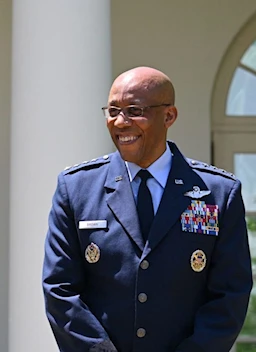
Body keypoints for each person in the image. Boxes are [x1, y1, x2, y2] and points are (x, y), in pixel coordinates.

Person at [42, 66, 252, 352]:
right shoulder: (77, 188)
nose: (120, 122)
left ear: (169, 116)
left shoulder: (219, 192)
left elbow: (230, 293)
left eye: (134, 110)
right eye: (113, 110)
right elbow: (60, 290)